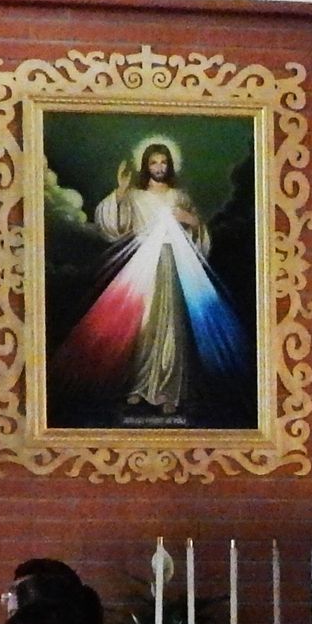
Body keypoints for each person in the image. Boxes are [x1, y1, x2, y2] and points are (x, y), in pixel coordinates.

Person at [54, 141, 249, 421]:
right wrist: (121, 192)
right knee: (142, 326)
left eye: (163, 162)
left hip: (173, 264)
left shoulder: (179, 197)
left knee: (170, 325)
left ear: (170, 165)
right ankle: (141, 385)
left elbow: (198, 234)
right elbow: (115, 228)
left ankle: (169, 392)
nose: (159, 167)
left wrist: (192, 221)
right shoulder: (135, 197)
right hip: (142, 265)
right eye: (154, 162)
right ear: (146, 165)